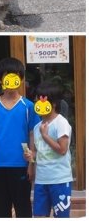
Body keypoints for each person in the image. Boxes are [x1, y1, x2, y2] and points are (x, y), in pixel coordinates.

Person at [0, 57, 40, 218]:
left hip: (21, 166)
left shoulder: (28, 106)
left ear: (21, 79)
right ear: (1, 79)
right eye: (6, 76)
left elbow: (32, 134)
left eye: (15, 76)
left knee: (23, 209)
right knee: (0, 211)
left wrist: (31, 164)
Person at [24, 81, 73, 218]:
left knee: (61, 217)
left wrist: (45, 136)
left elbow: (62, 149)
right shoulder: (37, 126)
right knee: (39, 216)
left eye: (41, 101)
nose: (37, 105)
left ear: (54, 104)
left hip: (60, 180)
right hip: (41, 180)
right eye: (37, 102)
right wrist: (30, 159)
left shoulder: (61, 123)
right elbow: (35, 152)